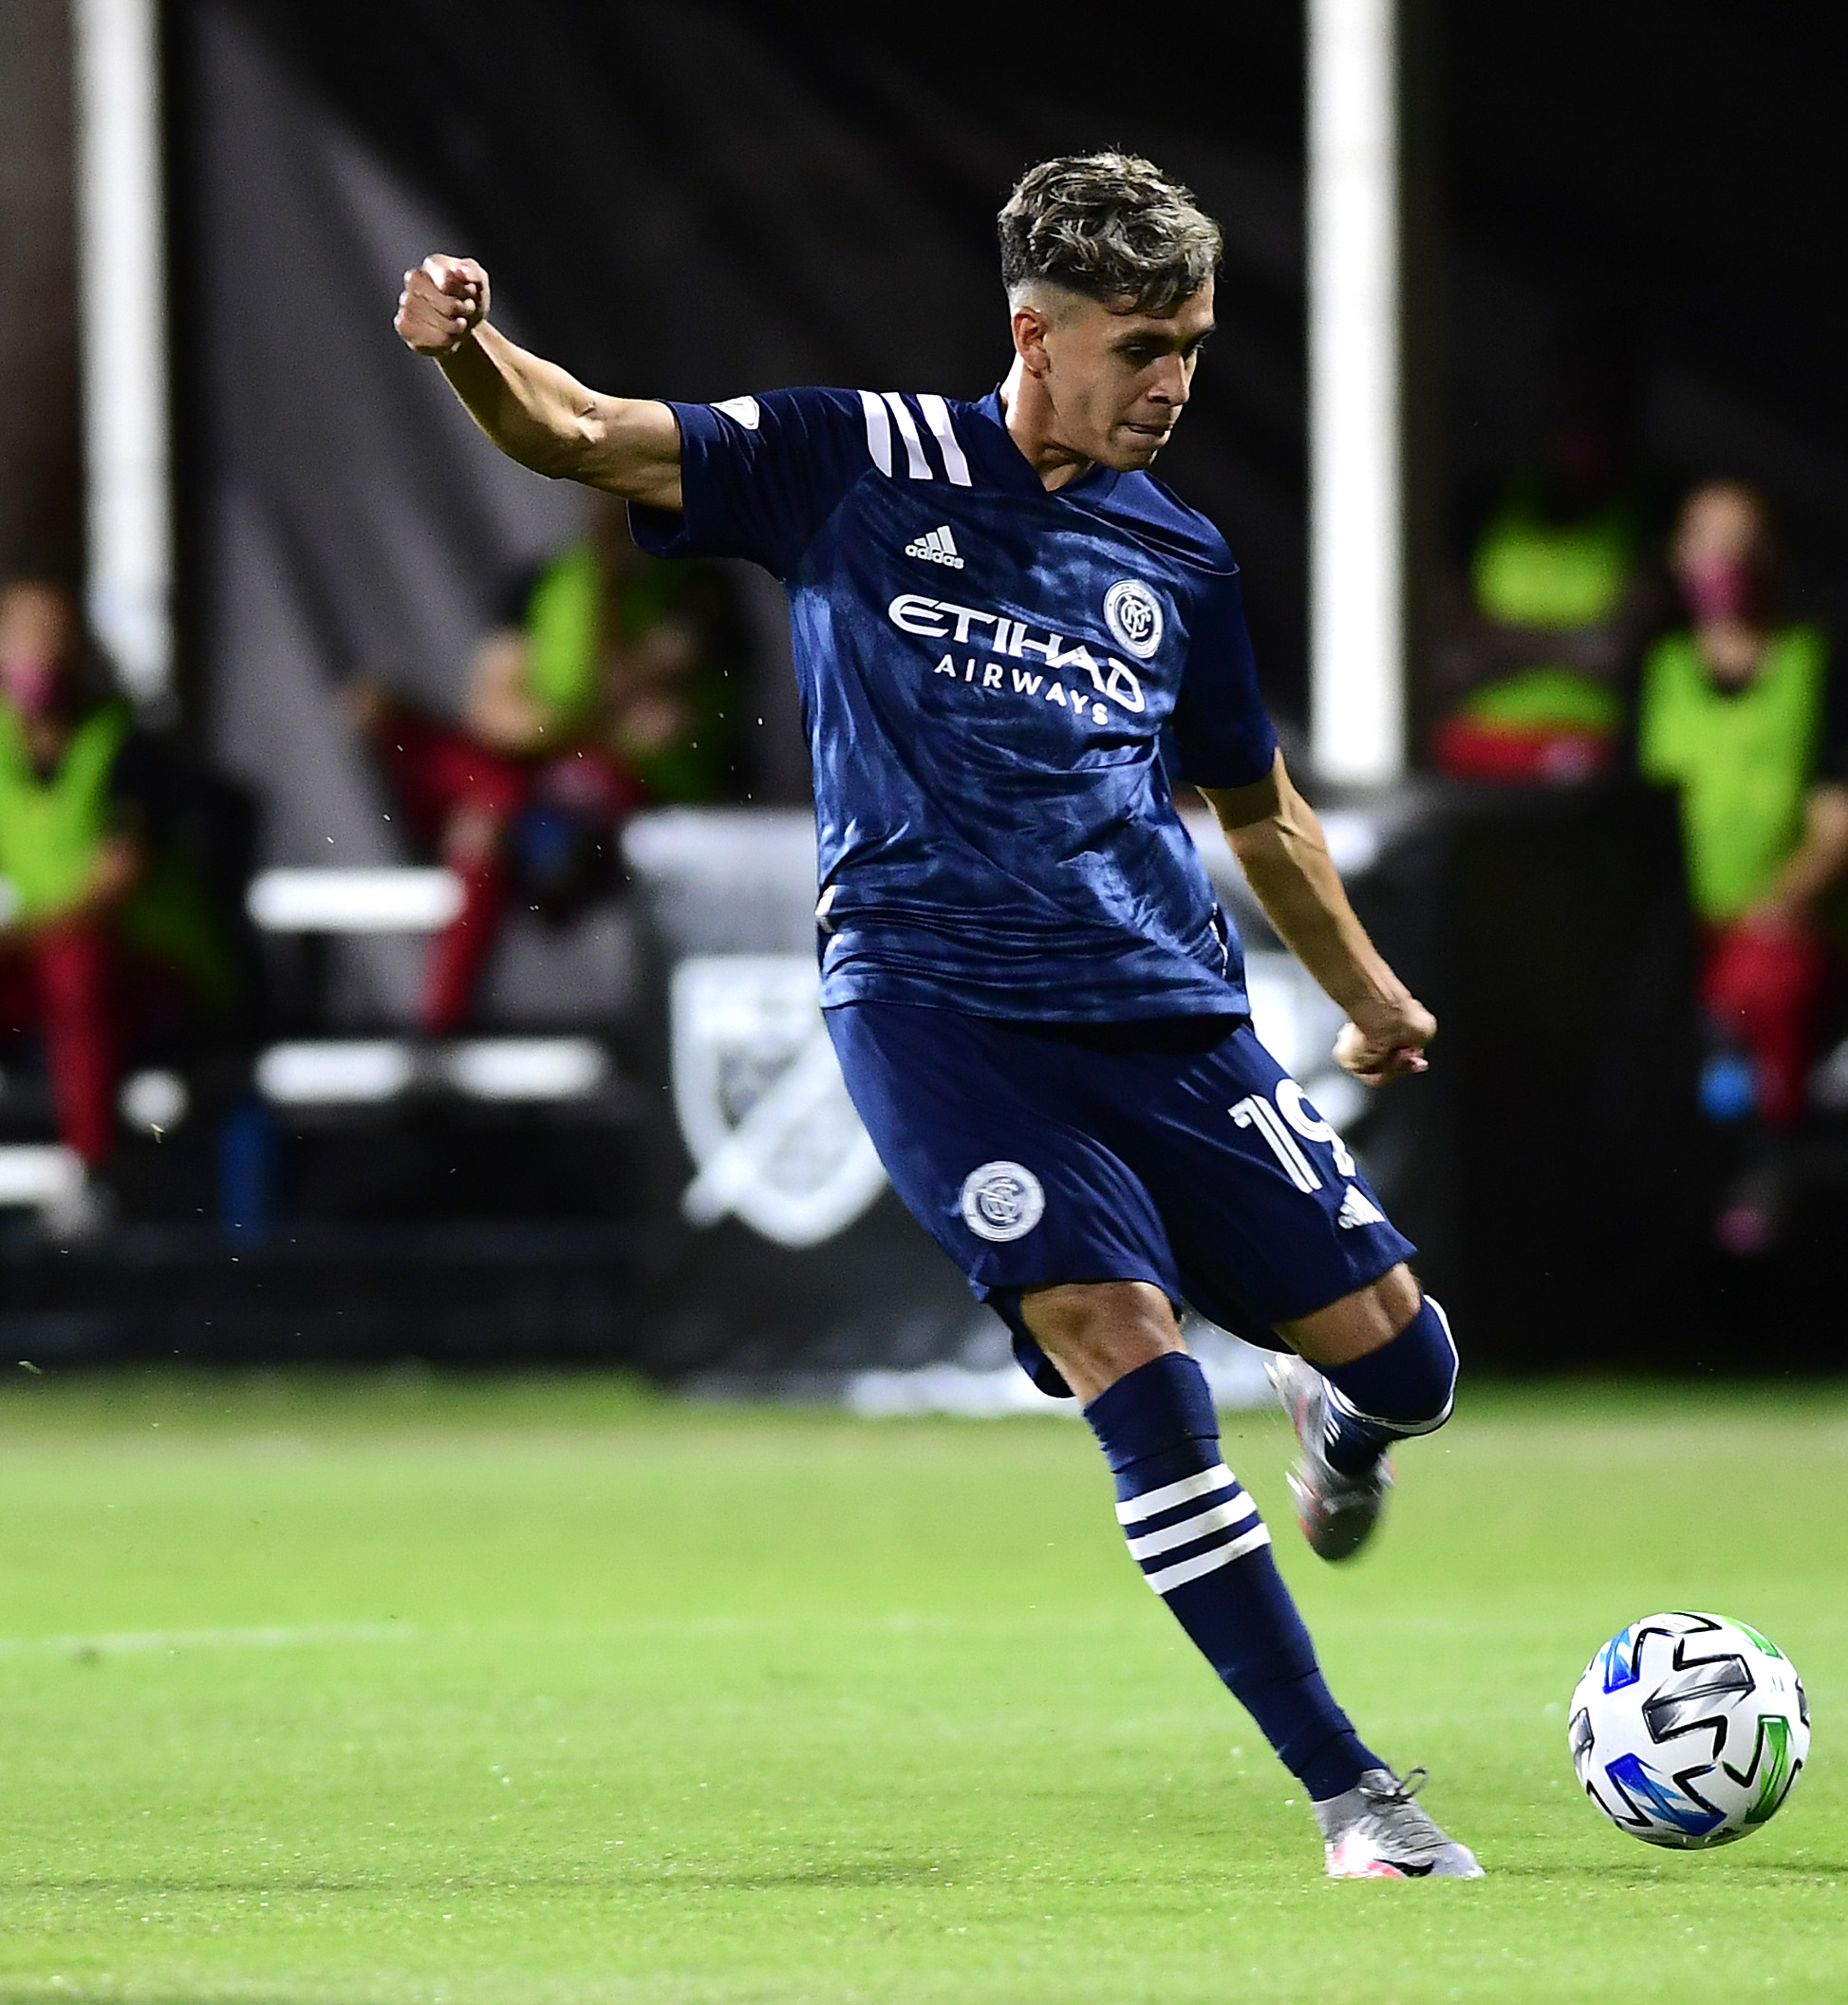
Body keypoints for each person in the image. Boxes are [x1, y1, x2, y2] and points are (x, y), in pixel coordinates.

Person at [396, 153, 1477, 1880]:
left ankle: (1342, 1419)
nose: (1174, 383)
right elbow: (584, 432)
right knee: (1123, 1346)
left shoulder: (1178, 554)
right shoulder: (855, 458)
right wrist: (470, 349)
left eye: (1192, 344)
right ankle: (1357, 1797)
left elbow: (1256, 804)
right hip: (939, 1010)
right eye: (1141, 346)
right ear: (1034, 335)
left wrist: (1367, 993)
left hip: (1164, 1011)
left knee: (1412, 1365)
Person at [354, 497, 736, 1034]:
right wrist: (591, 719)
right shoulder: (548, 583)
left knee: (493, 821)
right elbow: (493, 715)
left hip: (616, 803)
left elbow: (661, 716)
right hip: (527, 789)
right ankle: (439, 1029)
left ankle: (439, 1026)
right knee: (463, 792)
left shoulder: (698, 595)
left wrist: (567, 715)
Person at [1635, 479, 1848, 1250]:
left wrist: (1777, 904)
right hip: (1681, 926)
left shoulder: (1816, 665)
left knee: (1758, 986)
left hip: (1783, 922)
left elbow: (1841, 824)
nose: (1723, 563)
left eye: (1740, 545)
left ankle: (1762, 1167)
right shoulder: (1658, 671)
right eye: (1707, 543)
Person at [0, 577, 232, 1223]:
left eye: (56, 634)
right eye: (25, 634)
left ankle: (91, 1172)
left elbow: (114, 883)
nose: (41, 652)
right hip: (44, 972)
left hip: (151, 973)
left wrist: (16, 939)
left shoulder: (127, 743)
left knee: (76, 962)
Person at [1429, 344, 1664, 783]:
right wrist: (1575, 645)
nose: (1581, 414)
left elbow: (1616, 653)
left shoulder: (1651, 513)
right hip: (1471, 746)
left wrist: (1491, 640)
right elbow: (1448, 651)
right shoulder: (1486, 505)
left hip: (1586, 752)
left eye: (1598, 401)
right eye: (1569, 397)